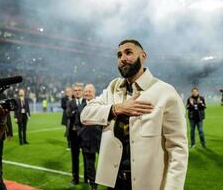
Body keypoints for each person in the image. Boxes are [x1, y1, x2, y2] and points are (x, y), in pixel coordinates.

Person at [80, 39, 188, 190]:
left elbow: (178, 148)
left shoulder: (165, 92)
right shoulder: (114, 87)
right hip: (114, 182)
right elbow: (85, 114)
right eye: (119, 55)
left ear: (143, 56)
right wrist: (118, 108)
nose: (122, 58)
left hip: (147, 185)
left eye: (128, 52)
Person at [79, 84, 102, 190]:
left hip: (100, 139)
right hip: (86, 140)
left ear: (94, 93)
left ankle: (110, 183)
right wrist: (81, 135)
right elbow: (77, 123)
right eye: (86, 91)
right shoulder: (80, 106)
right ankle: (93, 185)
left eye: (90, 91)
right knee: (89, 165)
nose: (87, 93)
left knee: (105, 162)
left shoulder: (100, 104)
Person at [66, 83, 85, 186]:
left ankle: (88, 178)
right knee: (75, 157)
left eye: (79, 90)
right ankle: (75, 179)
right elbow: (68, 114)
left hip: (84, 133)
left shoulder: (86, 102)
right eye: (76, 90)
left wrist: (75, 111)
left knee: (87, 157)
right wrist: (78, 111)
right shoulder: (70, 102)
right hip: (73, 134)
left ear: (82, 91)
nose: (77, 91)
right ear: (73, 92)